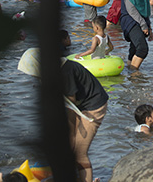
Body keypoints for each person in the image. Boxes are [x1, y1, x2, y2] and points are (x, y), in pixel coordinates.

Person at [17, 48, 108, 182]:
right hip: (79, 105)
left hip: (93, 106)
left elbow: (69, 102)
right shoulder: (56, 68)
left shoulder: (65, 71)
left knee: (80, 154)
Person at [119, 0, 153, 69]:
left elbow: (145, 7)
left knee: (134, 48)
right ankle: (134, 74)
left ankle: (130, 74)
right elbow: (131, 9)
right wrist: (143, 25)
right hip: (130, 20)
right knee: (142, 48)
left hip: (140, 20)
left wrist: (149, 25)